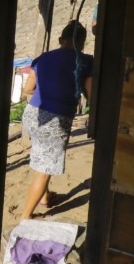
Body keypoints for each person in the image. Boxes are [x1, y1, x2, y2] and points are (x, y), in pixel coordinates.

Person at [20, 21, 93, 220]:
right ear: (83, 42)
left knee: (42, 156)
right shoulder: (85, 61)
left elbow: (27, 89)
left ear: (61, 39)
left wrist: (49, 90)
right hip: (56, 120)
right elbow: (91, 95)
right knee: (44, 169)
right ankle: (26, 217)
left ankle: (45, 197)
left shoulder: (43, 58)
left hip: (32, 114)